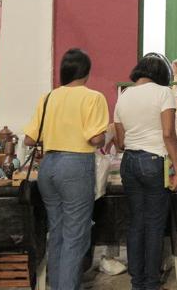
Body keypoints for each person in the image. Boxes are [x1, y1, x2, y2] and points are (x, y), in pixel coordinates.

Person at [23, 49, 109, 290]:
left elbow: (29, 139)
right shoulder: (93, 98)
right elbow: (95, 139)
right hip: (75, 166)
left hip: (48, 167)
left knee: (57, 233)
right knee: (75, 237)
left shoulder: (48, 97)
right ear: (87, 72)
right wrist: (105, 136)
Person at [114, 54, 177, 290]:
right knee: (154, 225)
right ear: (162, 74)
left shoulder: (124, 95)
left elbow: (120, 142)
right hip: (154, 161)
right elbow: (168, 133)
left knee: (136, 223)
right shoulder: (163, 93)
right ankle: (152, 284)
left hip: (129, 162)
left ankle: (137, 283)